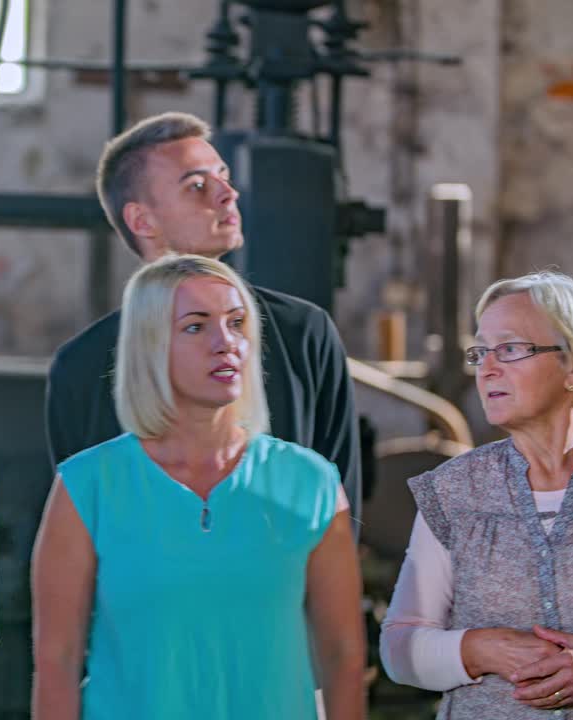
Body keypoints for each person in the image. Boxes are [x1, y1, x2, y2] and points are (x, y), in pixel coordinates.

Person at [32, 254, 366, 719]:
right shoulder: (87, 485)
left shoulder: (312, 483)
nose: (225, 342)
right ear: (150, 346)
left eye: (236, 323)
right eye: (196, 326)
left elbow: (343, 657)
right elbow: (57, 661)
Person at [46, 111, 361, 519]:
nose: (228, 194)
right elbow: (79, 529)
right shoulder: (82, 366)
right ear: (142, 220)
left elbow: (339, 507)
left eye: (224, 176)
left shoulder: (304, 334)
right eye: (197, 185)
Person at [380, 271, 573, 716]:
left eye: (510, 348)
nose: (487, 367)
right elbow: (398, 649)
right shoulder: (452, 491)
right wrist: (477, 648)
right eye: (480, 351)